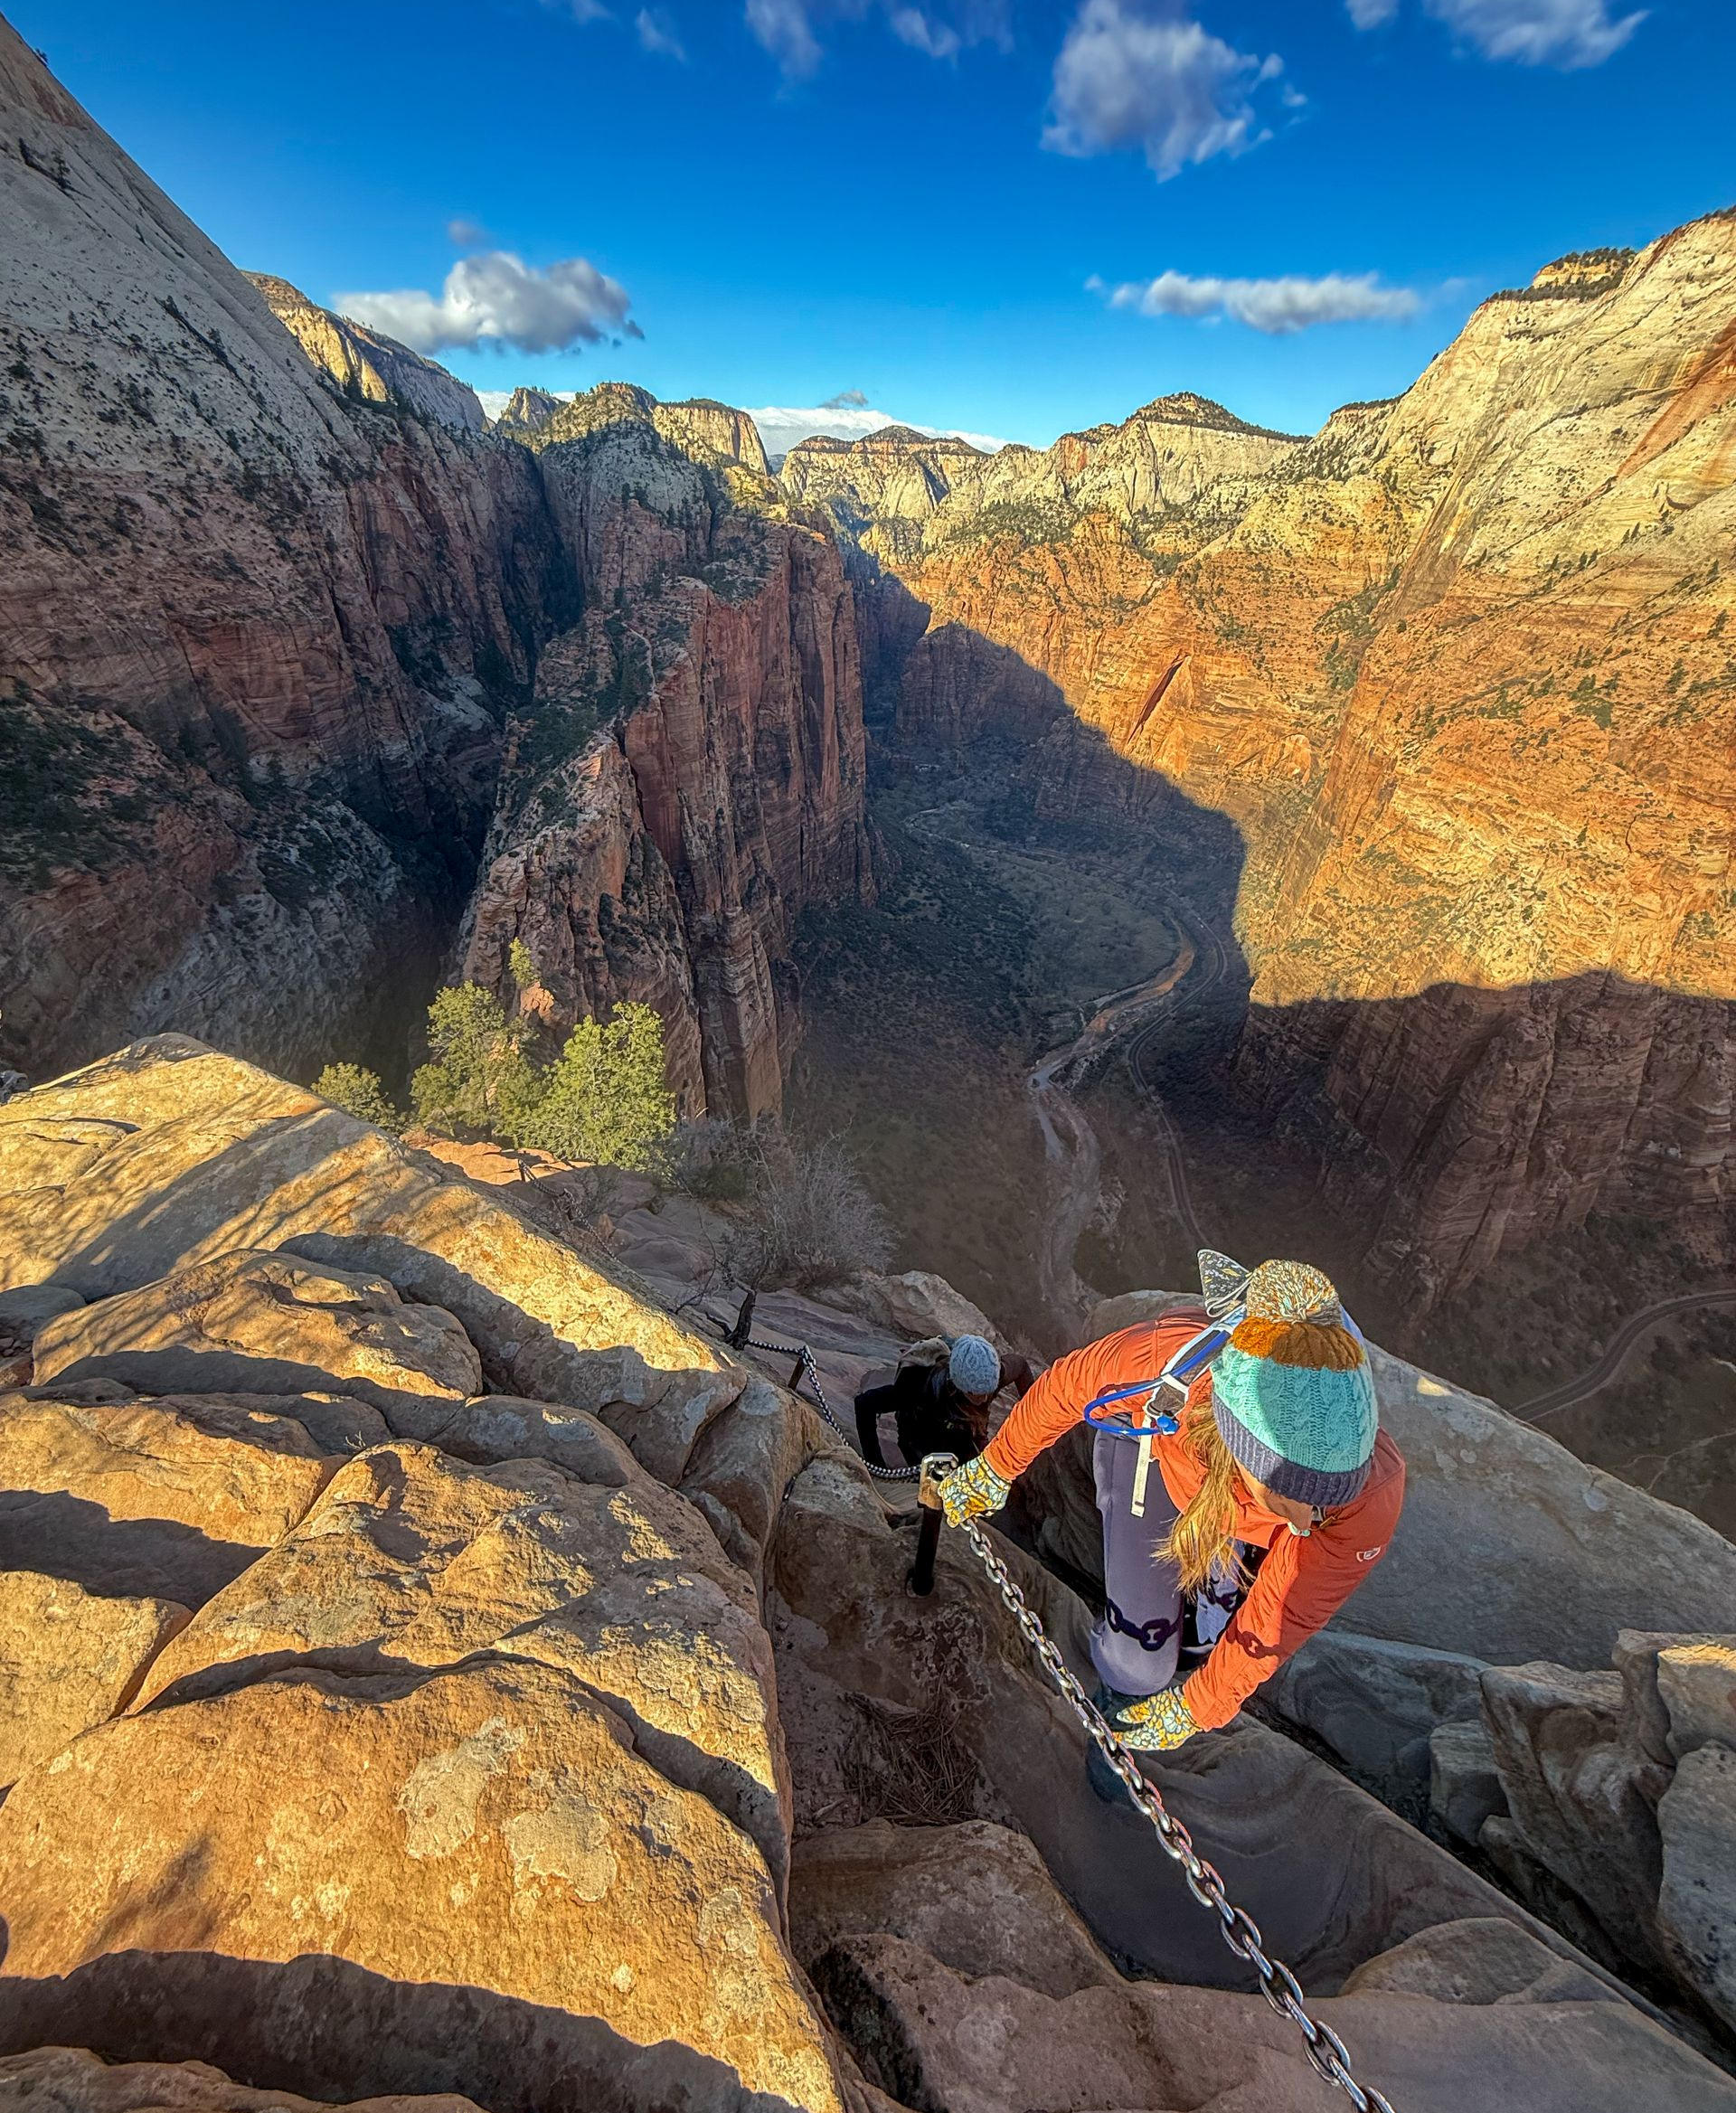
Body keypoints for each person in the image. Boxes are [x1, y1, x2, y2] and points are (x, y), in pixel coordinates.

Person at [936, 1255, 1404, 1782]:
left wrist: (1198, 1706)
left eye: (1325, 1503)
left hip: (1226, 1493)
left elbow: (1283, 1613)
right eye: (1290, 1496)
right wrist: (994, 1470)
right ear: (1235, 1442)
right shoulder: (1162, 1368)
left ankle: (1166, 1664)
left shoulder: (1367, 1496)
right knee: (1143, 1656)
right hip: (1157, 1453)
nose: (1304, 1525)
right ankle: (1120, 1703)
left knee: (1208, 1642)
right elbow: (1067, 1387)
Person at [854, 1333, 1031, 1472]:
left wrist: (1033, 1415)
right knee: (938, 1491)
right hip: (920, 1435)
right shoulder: (919, 1386)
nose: (983, 1399)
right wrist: (875, 1464)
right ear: (958, 1383)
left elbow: (1021, 1365)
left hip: (961, 1428)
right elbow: (864, 1404)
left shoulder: (992, 1374)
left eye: (987, 1392)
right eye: (975, 1393)